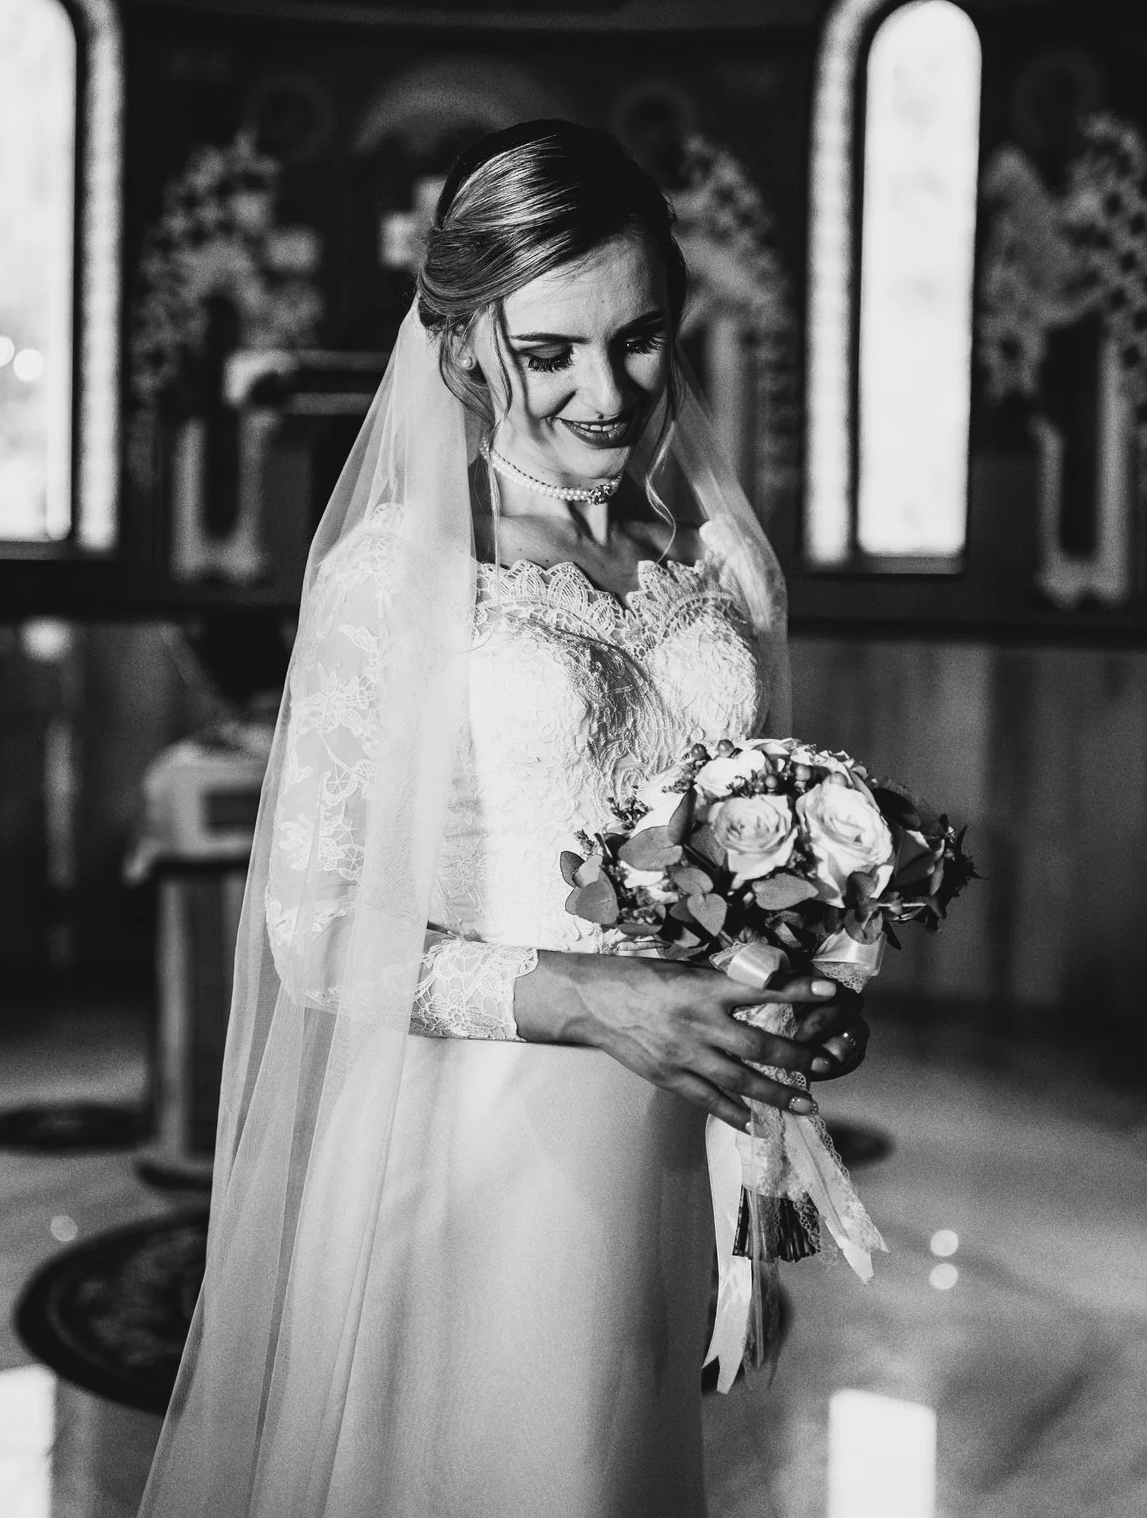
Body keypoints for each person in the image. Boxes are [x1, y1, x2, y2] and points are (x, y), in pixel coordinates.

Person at [138, 120, 871, 1517]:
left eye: (640, 339)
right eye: (552, 353)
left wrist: (783, 1066)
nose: (607, 392)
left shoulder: (722, 567)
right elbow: (316, 936)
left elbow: (767, 872)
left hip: (670, 1145)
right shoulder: (396, 573)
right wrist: (589, 1000)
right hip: (486, 1147)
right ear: (467, 343)